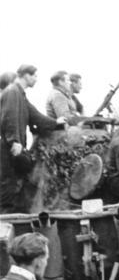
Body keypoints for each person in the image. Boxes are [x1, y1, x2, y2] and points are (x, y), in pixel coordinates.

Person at [0, 65, 66, 213]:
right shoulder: (12, 92)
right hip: (9, 147)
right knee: (8, 186)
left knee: (18, 185)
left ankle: (17, 222)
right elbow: (8, 118)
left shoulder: (21, 95)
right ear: (26, 76)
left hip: (15, 147)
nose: (36, 79)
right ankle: (5, 224)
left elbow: (36, 116)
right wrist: (14, 141)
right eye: (35, 76)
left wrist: (56, 123)